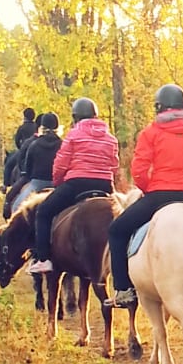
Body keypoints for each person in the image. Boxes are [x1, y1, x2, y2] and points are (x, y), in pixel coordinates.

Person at [108, 84, 183, 306]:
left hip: (158, 194)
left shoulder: (150, 133)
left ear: (158, 107)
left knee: (117, 231)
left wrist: (150, 188)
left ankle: (123, 290)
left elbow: (138, 171)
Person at [26, 99, 120, 274]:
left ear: (75, 117)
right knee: (121, 217)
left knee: (44, 212)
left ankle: (44, 259)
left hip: (77, 183)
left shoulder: (73, 135)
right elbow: (114, 166)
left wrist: (59, 182)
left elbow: (61, 164)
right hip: (105, 185)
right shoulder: (111, 139)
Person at [6, 111, 62, 214]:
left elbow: (28, 169)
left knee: (16, 208)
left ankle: (6, 207)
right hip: (57, 184)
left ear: (42, 126)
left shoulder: (34, 145)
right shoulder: (63, 145)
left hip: (36, 183)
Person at [2, 107, 38, 194]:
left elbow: (17, 141)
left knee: (9, 164)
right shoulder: (36, 126)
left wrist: (20, 148)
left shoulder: (22, 127)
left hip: (24, 150)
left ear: (24, 116)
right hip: (36, 150)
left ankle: (5, 185)